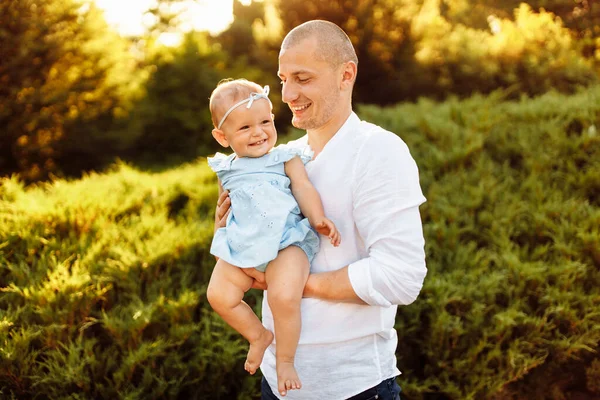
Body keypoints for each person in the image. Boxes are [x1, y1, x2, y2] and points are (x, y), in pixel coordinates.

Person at [214, 20, 427, 400]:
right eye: (283, 79)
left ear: (346, 74)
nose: (288, 93)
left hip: (352, 388)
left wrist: (294, 283)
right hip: (275, 384)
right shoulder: (278, 159)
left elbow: (402, 276)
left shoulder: (378, 151)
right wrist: (230, 231)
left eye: (303, 78)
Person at [205, 78, 341, 397]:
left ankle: (285, 361)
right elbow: (226, 215)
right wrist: (221, 244)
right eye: (245, 128)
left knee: (283, 296)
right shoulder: (226, 169)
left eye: (265, 121)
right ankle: (257, 336)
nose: (259, 132)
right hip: (244, 247)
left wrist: (317, 217)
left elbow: (304, 187)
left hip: (285, 242)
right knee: (218, 295)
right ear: (222, 137)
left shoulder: (284, 157)